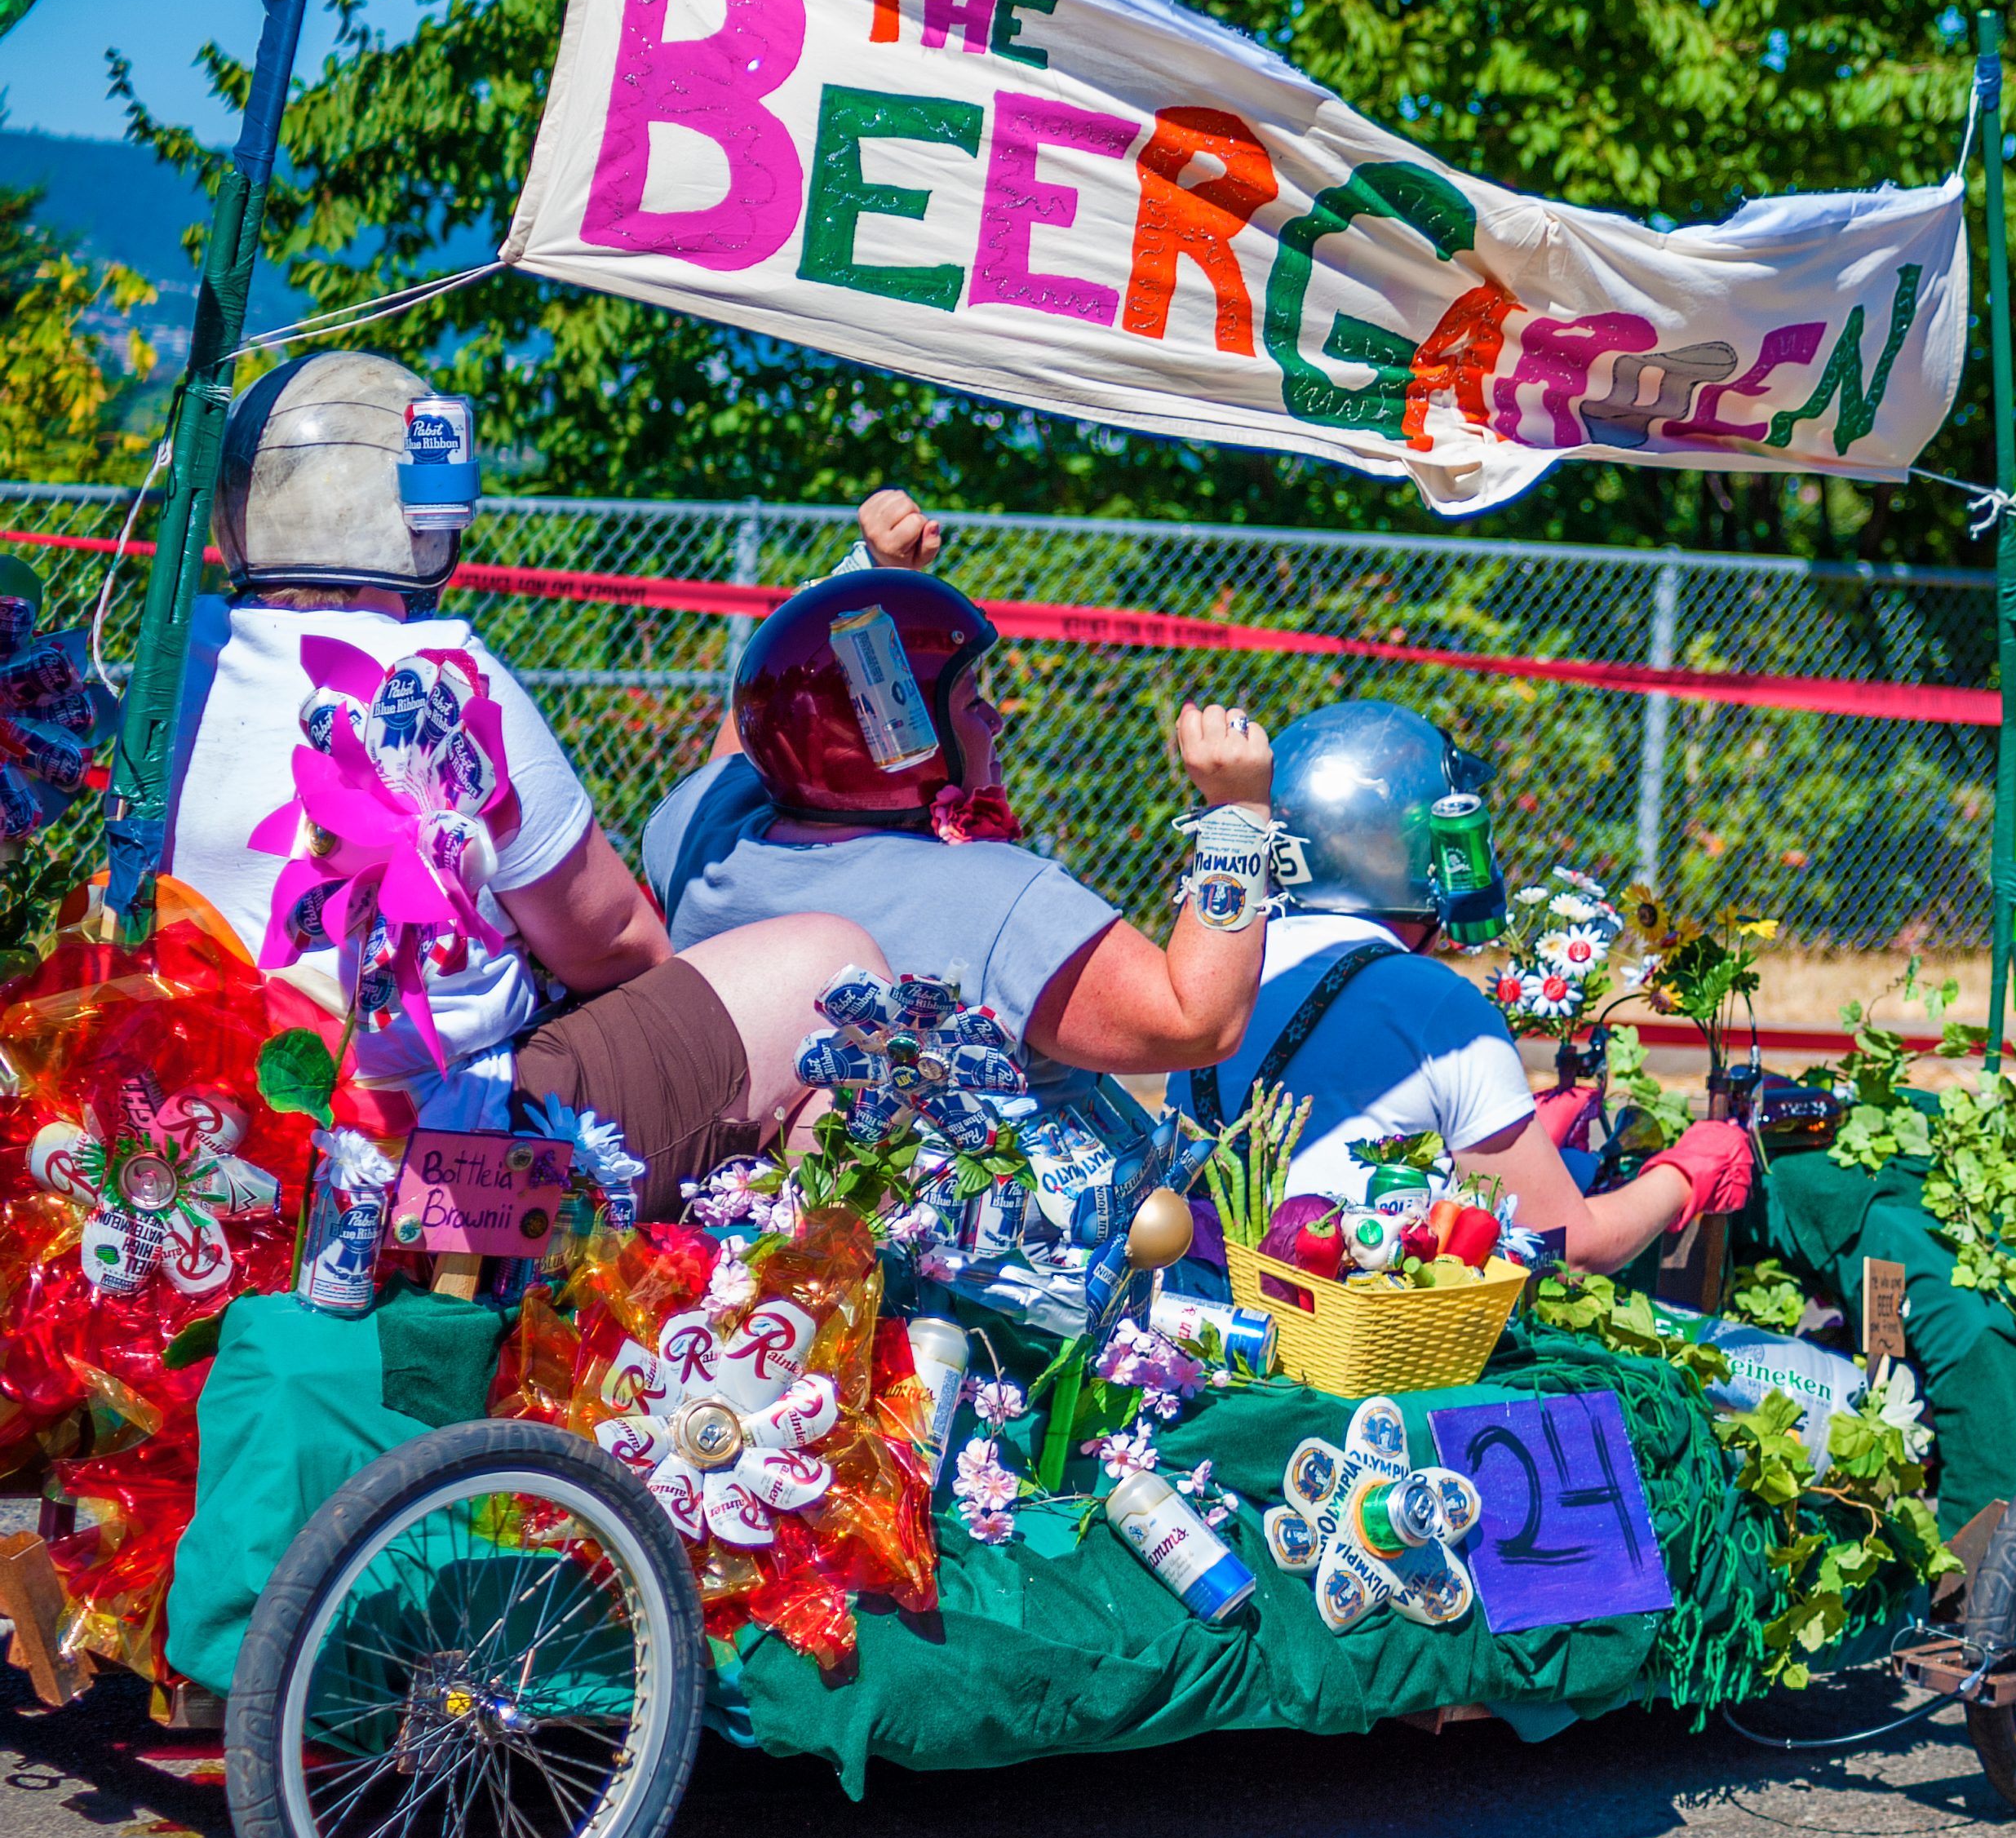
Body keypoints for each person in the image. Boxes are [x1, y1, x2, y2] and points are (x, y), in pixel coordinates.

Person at [165, 349, 882, 1216]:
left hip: (206, 1121)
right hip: (422, 1154)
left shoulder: (170, 668)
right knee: (833, 971)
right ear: (418, 513)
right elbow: (612, 940)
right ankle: (781, 1306)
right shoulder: (432, 678)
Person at [640, 498, 1275, 1324]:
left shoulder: (697, 839)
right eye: (971, 696)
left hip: (741, 1266)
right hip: (990, 1311)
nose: (992, 715)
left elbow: (768, 713)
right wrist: (1236, 816)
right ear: (903, 735)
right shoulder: (983, 897)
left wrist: (865, 581)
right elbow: (1196, 1020)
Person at [1176, 695, 1752, 1276]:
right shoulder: (1431, 1000)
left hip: (1200, 1321)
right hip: (1361, 1348)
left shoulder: (1214, 973)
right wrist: (1685, 1175)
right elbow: (1567, 1246)